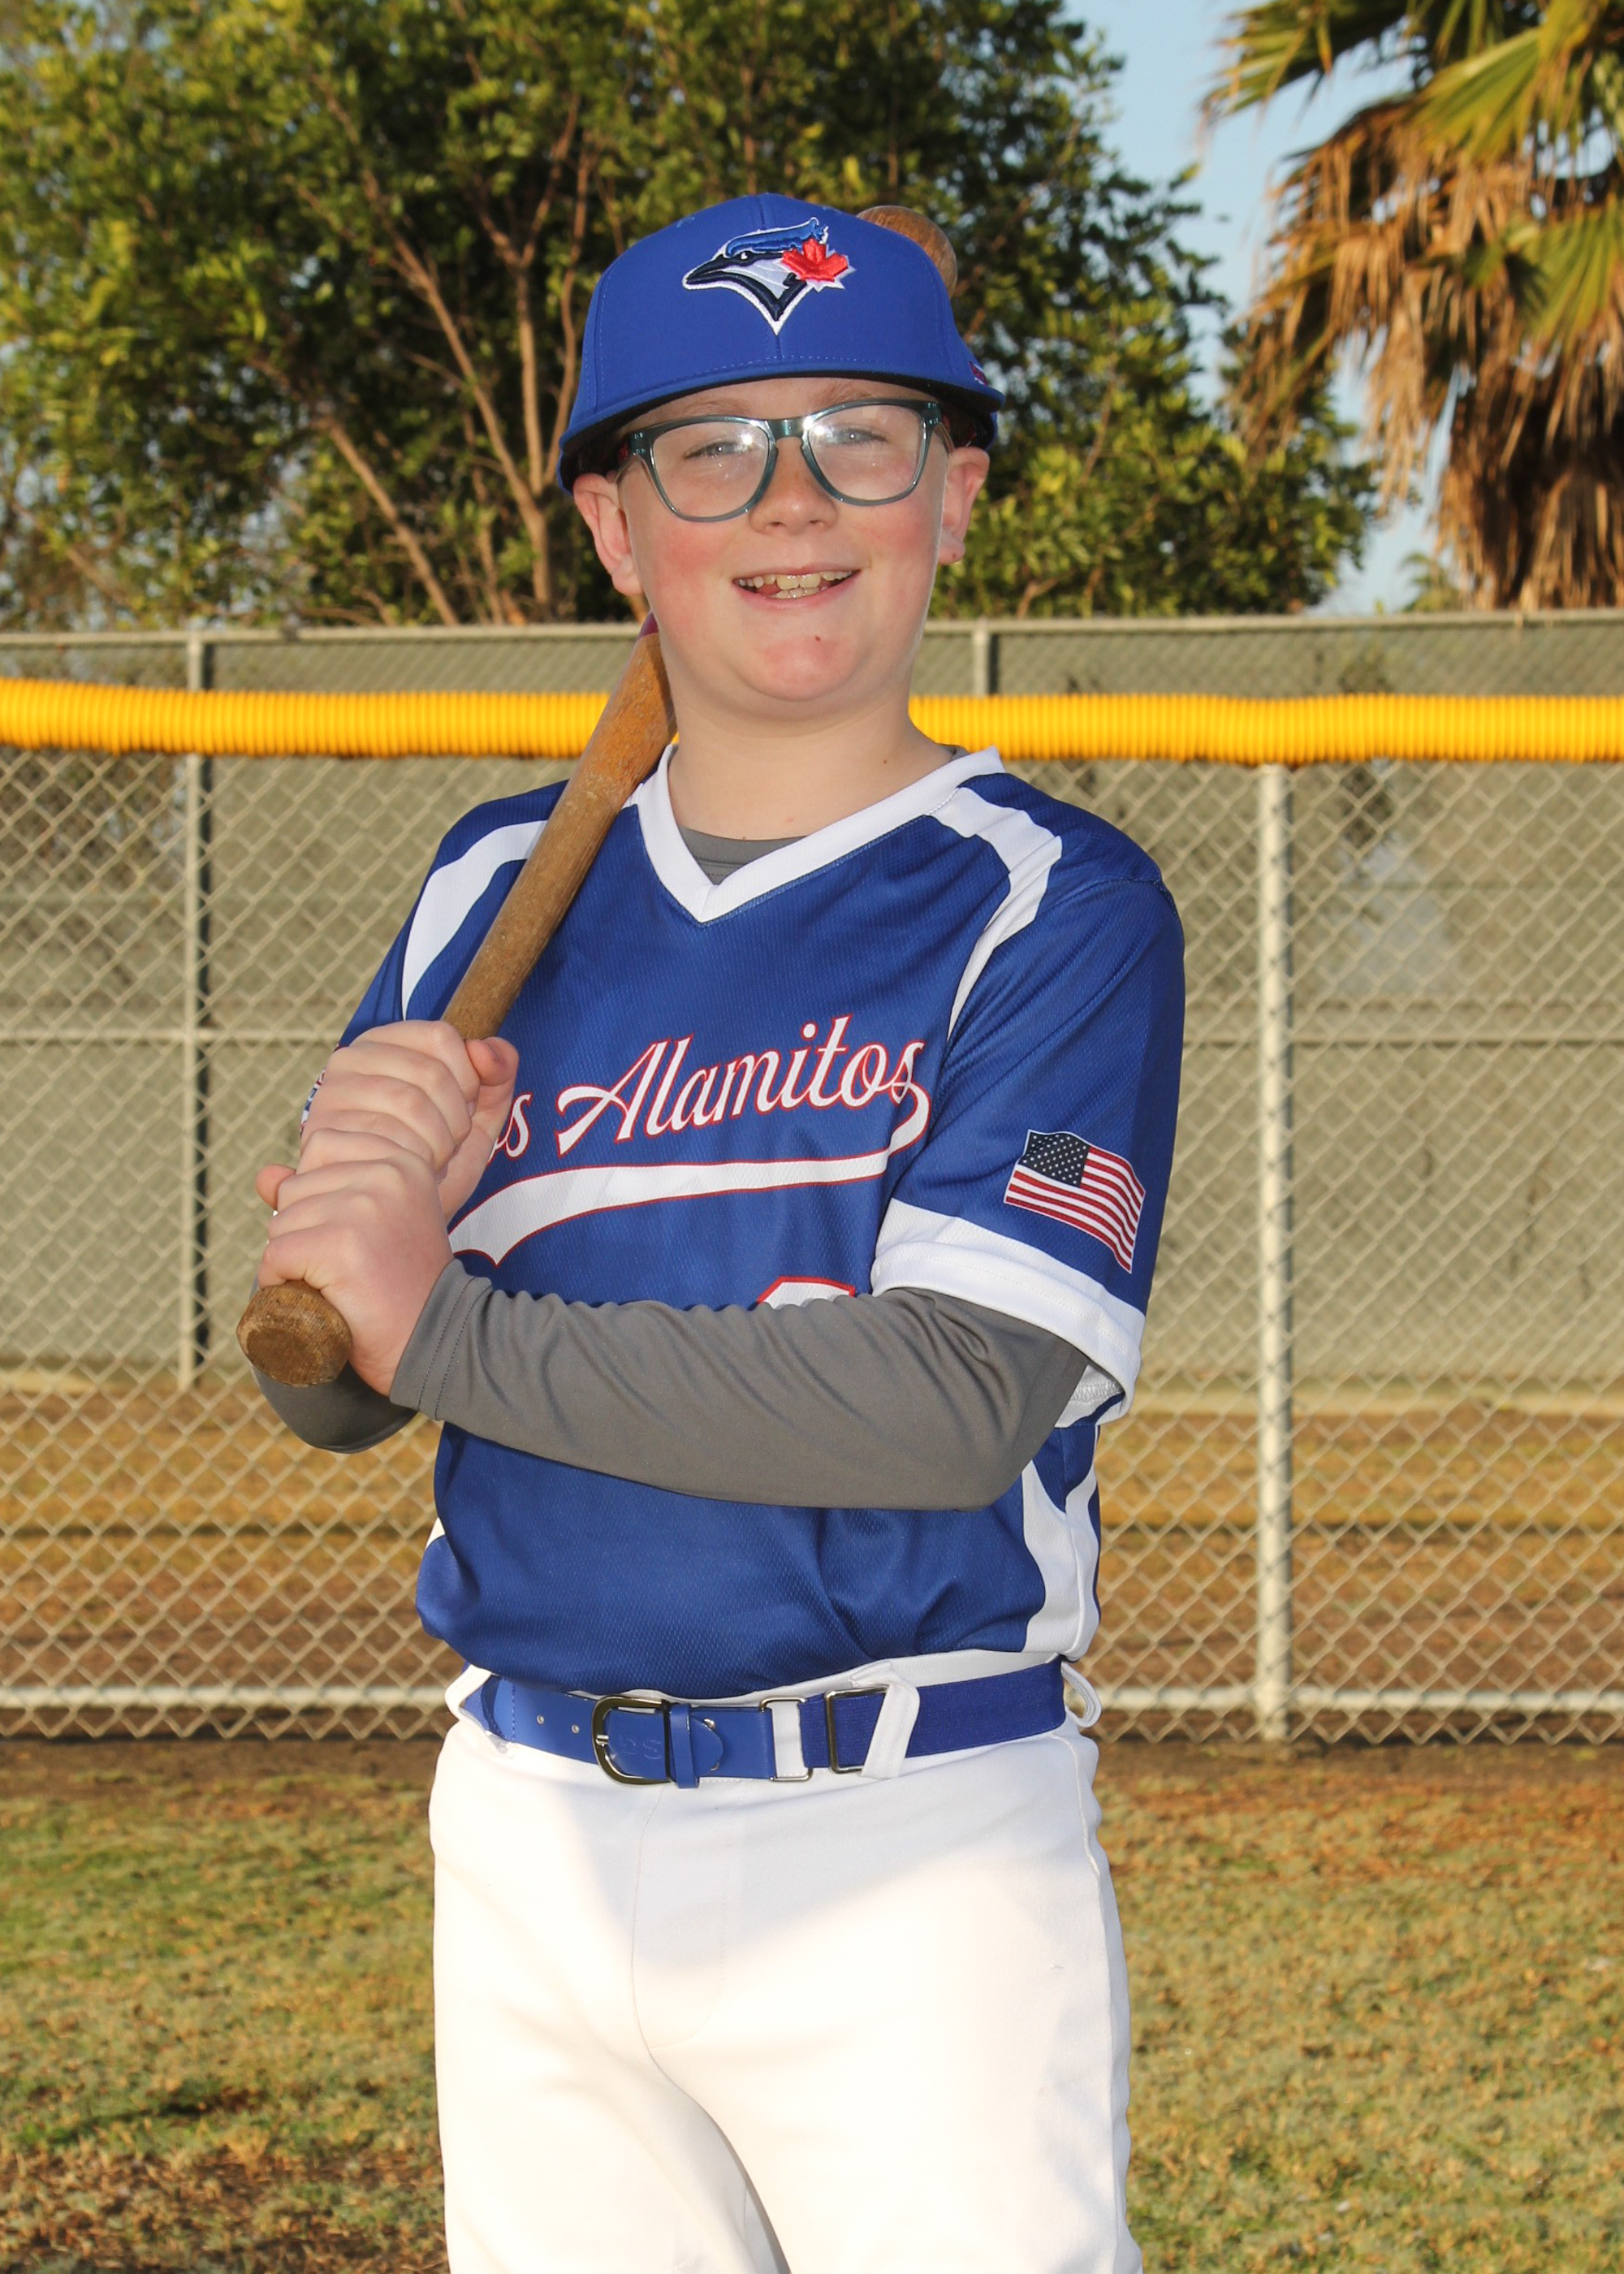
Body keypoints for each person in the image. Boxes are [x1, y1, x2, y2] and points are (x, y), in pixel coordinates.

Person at [252, 195, 1184, 2274]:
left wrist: (439, 1325)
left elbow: (950, 1400)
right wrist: (355, 1246)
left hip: (904, 1842)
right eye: (712, 448)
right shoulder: (493, 885)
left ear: (951, 498)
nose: (790, 498)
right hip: (526, 1822)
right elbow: (332, 1387)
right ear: (615, 528)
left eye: (859, 436)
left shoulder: (1050, 897)